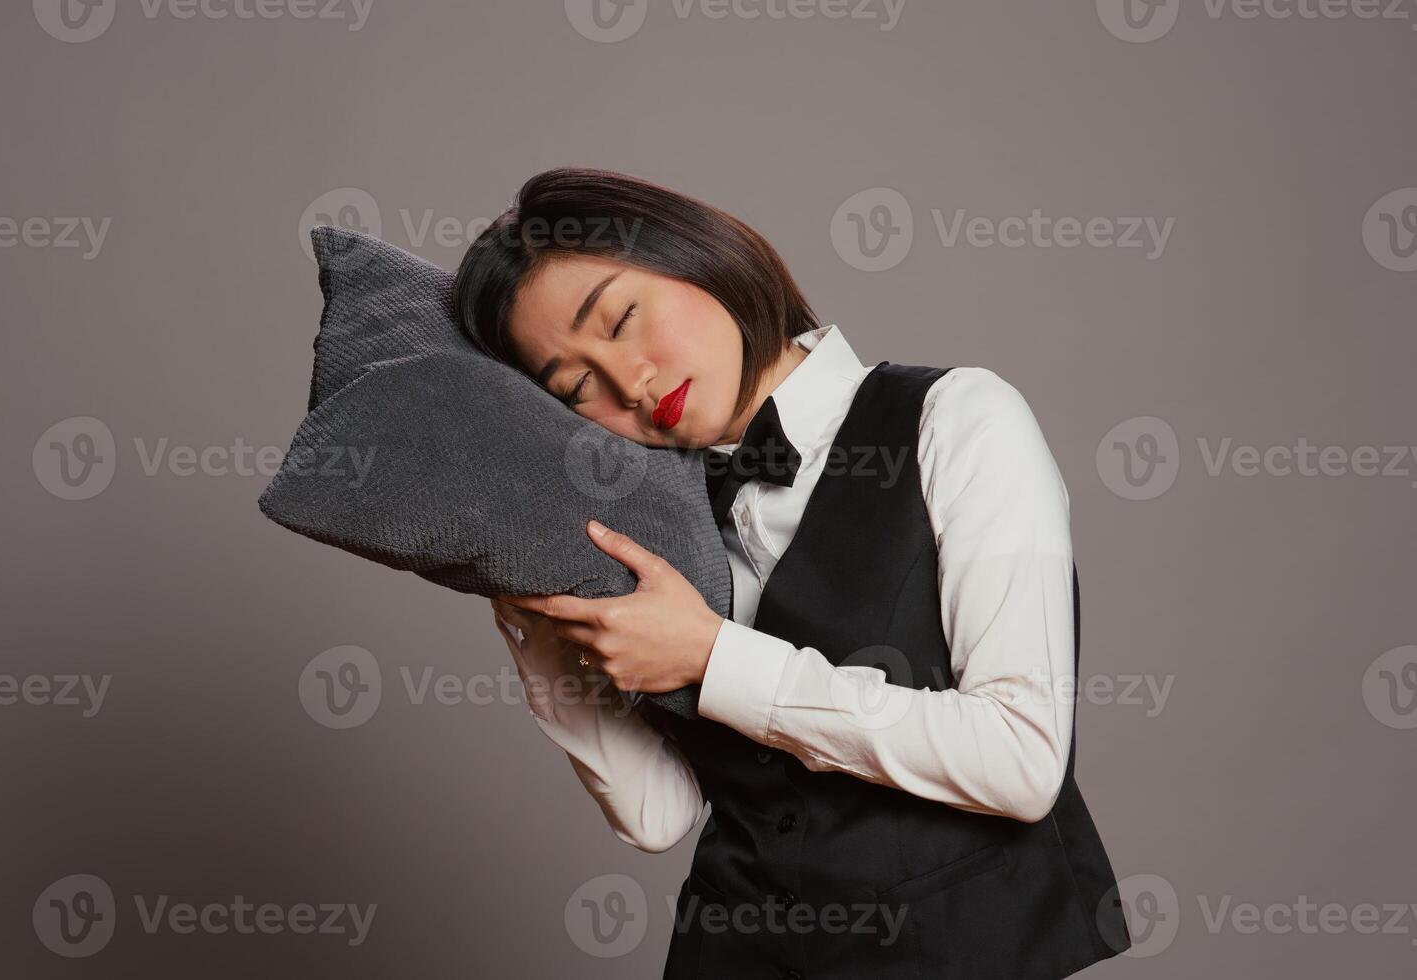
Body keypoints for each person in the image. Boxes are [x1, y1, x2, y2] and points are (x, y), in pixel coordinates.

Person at [452, 167, 1132, 979]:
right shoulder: (649, 525)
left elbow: (1021, 759)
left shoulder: (958, 419)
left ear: (697, 255)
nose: (628, 382)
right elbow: (655, 814)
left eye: (623, 318)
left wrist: (712, 660)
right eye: (574, 387)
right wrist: (522, 592)